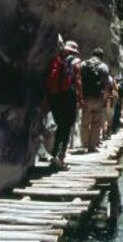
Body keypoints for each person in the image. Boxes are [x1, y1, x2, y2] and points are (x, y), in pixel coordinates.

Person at [46, 40, 83, 170]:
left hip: (54, 97)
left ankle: (54, 156)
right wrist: (80, 98)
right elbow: (77, 81)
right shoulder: (75, 62)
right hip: (68, 97)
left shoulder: (55, 59)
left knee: (59, 126)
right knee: (66, 128)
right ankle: (59, 158)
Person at [80, 48, 109, 152]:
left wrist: (80, 97)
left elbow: (79, 81)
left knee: (85, 123)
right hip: (98, 97)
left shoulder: (84, 64)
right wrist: (105, 99)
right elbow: (106, 84)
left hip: (86, 97)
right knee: (96, 123)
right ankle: (92, 146)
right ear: (102, 56)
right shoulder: (103, 66)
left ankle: (84, 144)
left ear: (92, 54)